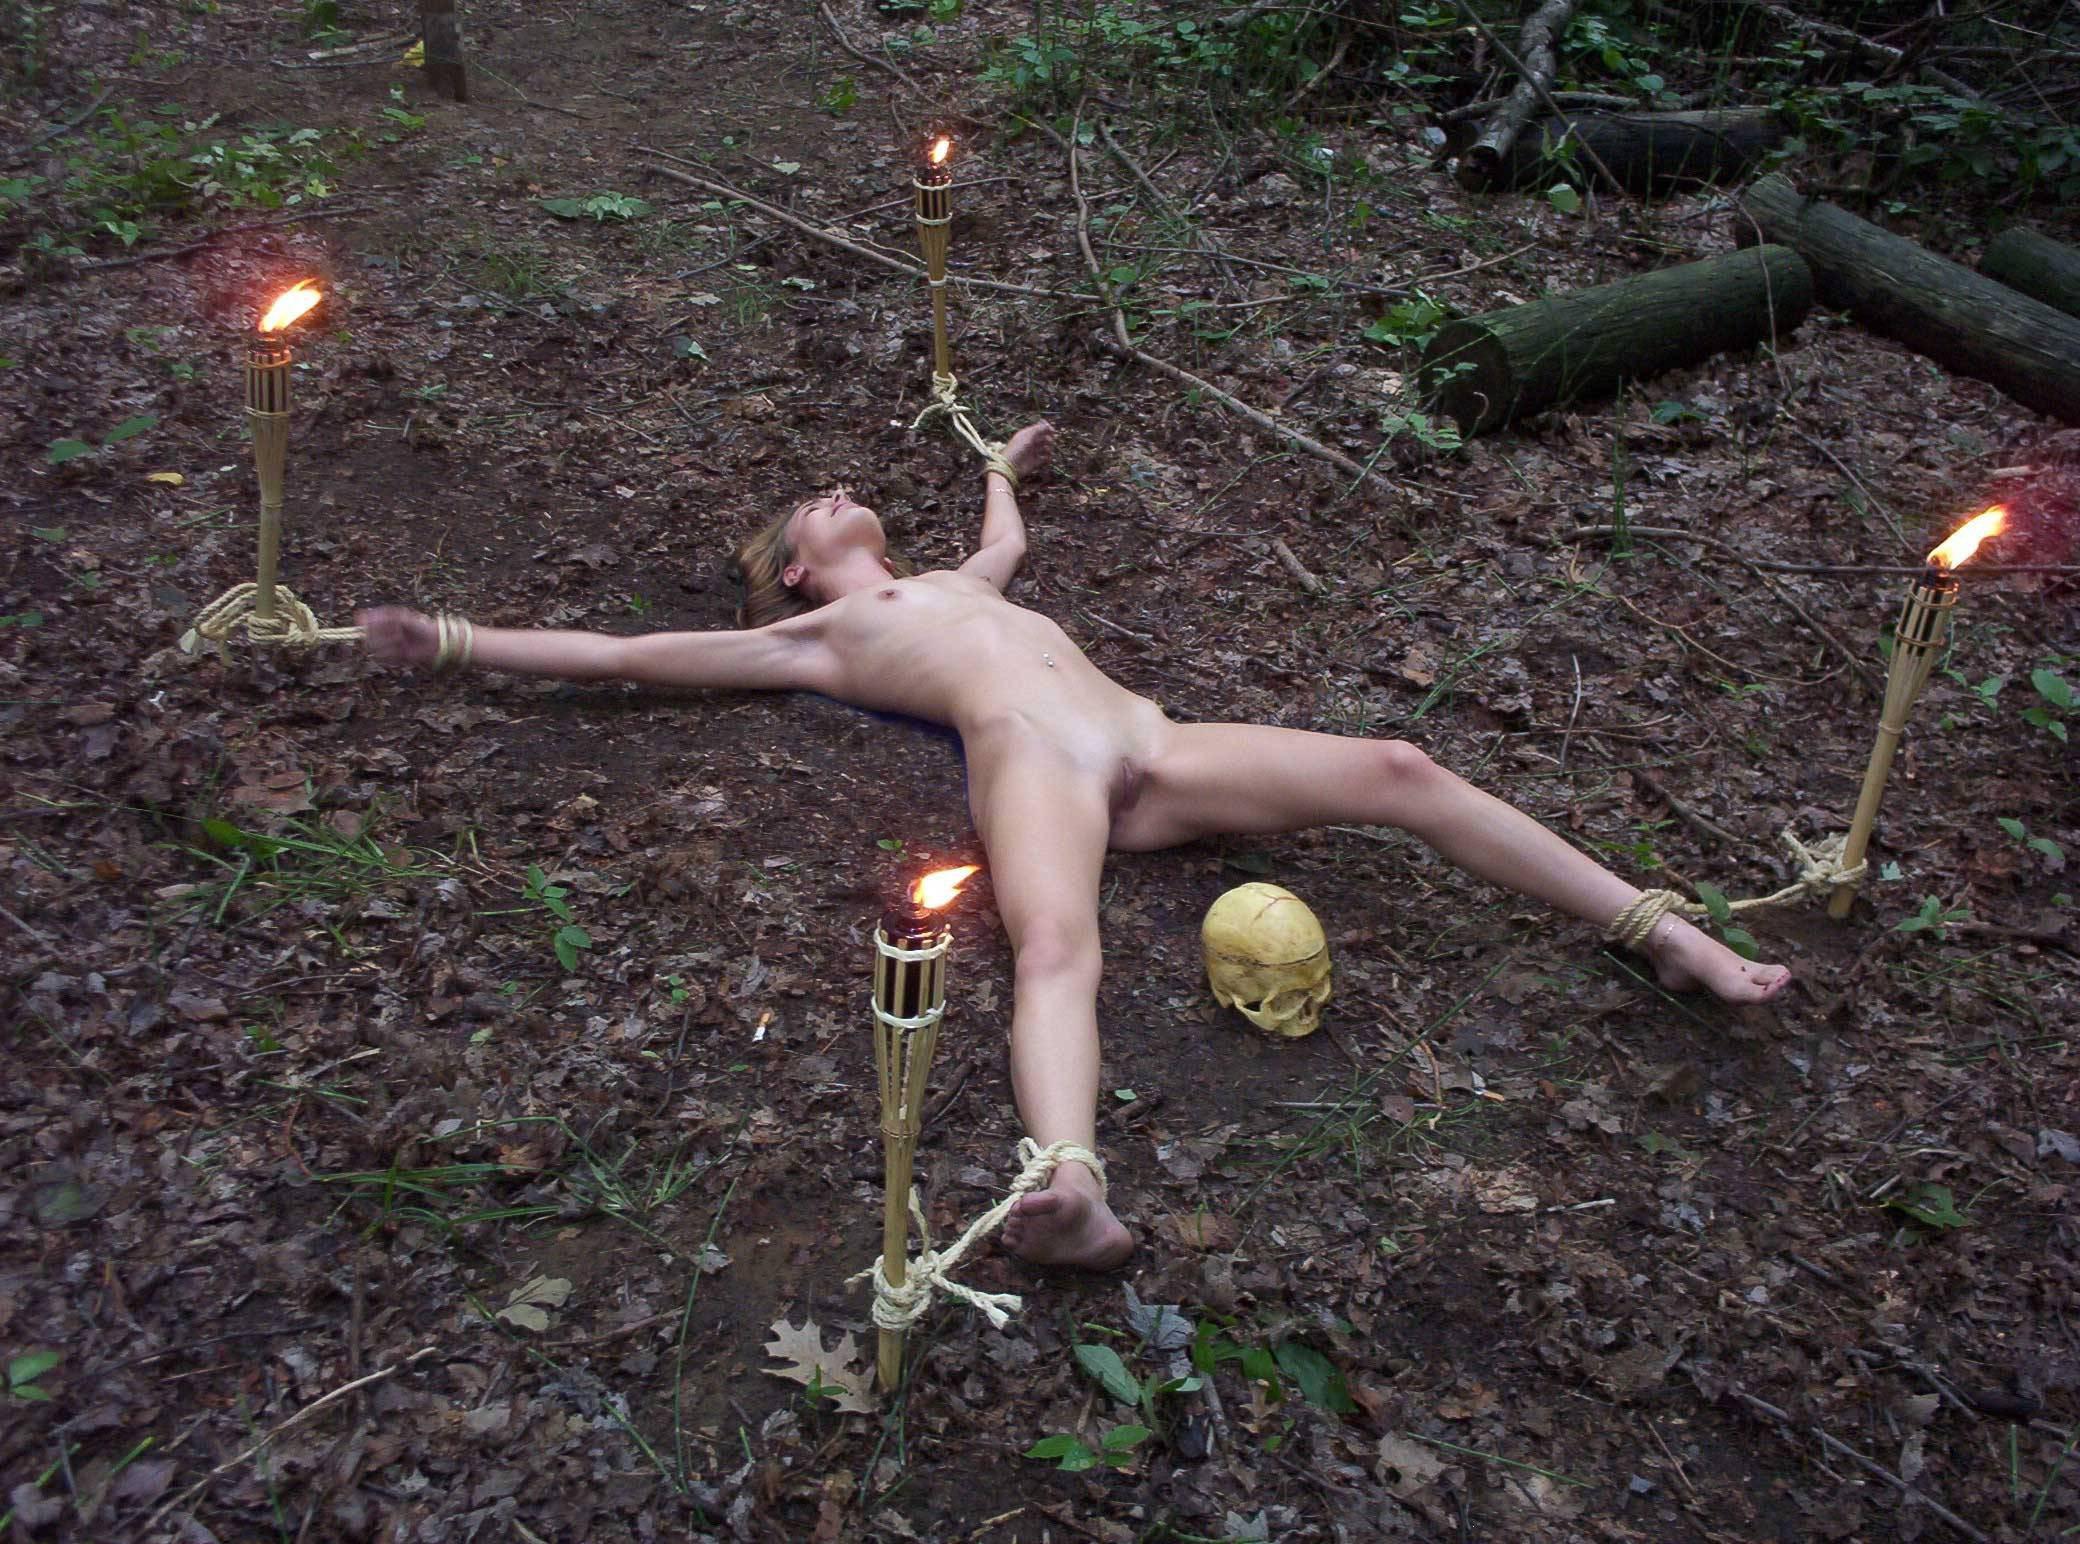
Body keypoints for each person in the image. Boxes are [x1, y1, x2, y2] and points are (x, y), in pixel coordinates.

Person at [360, 419, 1790, 1271]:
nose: (832, 490)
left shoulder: (951, 580)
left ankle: (1659, 931)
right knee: (1053, 945)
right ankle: (1072, 1184)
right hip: (1038, 762)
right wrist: (460, 640)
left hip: (1154, 745)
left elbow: (1010, 547)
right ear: (795, 568)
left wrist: (999, 464)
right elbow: (625, 656)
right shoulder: (817, 634)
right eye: (808, 508)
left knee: (1401, 767)